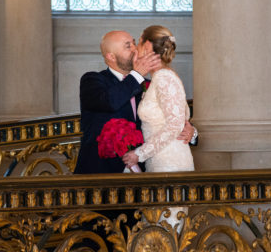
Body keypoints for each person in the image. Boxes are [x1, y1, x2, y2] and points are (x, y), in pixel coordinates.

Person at [74, 30, 196, 174]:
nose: (135, 48)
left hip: (143, 170)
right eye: (128, 46)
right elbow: (110, 102)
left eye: (134, 43)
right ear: (111, 56)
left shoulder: (150, 84)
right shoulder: (92, 80)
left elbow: (170, 117)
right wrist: (137, 75)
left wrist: (191, 132)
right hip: (103, 173)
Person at [122, 25, 194, 228]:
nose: (135, 48)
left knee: (165, 233)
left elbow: (174, 124)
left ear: (147, 45)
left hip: (170, 162)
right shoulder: (160, 77)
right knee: (156, 234)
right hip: (159, 160)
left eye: (138, 42)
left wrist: (139, 154)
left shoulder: (164, 77)